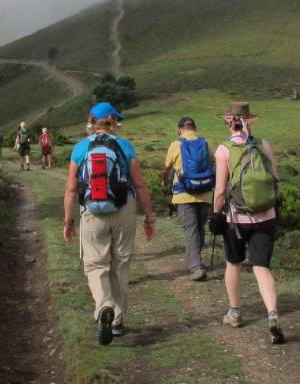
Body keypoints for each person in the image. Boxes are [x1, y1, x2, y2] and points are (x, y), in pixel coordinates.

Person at [63, 102, 156, 346]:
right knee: (120, 264)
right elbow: (140, 185)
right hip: (124, 208)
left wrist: (68, 221)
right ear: (111, 121)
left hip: (91, 211)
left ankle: (104, 307)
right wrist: (149, 217)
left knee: (95, 265)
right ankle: (116, 322)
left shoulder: (80, 148)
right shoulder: (125, 146)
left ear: (92, 123)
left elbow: (71, 189)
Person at [211, 102, 285, 344]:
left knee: (234, 263)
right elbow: (275, 179)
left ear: (228, 121)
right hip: (267, 216)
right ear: (249, 121)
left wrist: (215, 214)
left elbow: (221, 189)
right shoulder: (264, 145)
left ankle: (234, 313)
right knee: (261, 267)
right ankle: (272, 315)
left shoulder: (223, 150)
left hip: (236, 219)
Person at [160, 117, 215, 281]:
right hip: (205, 192)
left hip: (184, 194)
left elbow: (167, 167)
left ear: (180, 130)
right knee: (199, 228)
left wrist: (164, 179)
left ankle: (196, 267)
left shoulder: (175, 144)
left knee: (191, 229)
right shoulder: (205, 143)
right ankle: (197, 261)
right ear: (195, 128)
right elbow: (214, 164)